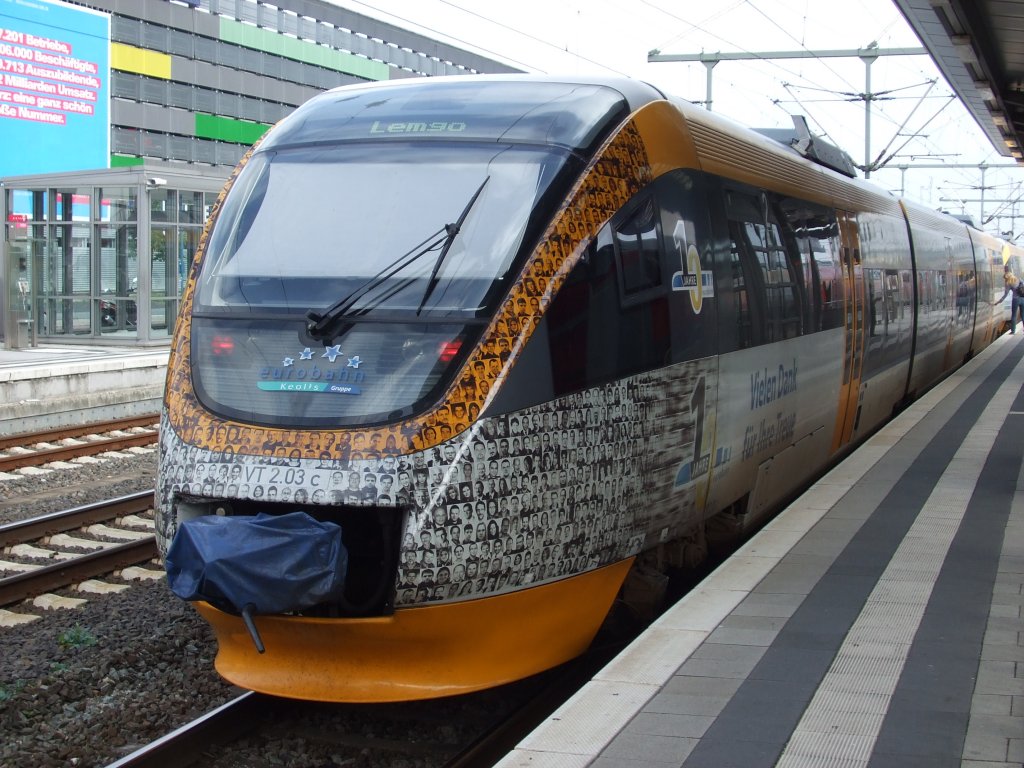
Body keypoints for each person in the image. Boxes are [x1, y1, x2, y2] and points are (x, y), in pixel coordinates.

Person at [999, 264, 1024, 334]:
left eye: (1005, 278)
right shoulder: (1019, 279)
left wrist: (999, 301)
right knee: (1023, 314)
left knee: (1014, 315)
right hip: (1023, 298)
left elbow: (1005, 294)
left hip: (1015, 300)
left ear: (1007, 278)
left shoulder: (1008, 283)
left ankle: (1013, 331)